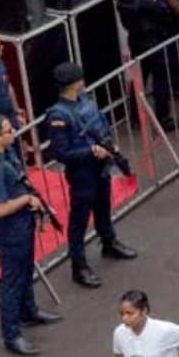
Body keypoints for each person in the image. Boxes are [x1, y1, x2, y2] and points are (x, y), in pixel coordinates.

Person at [44, 62, 138, 288]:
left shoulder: (86, 101)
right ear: (73, 84)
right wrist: (90, 151)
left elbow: (101, 124)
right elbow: (60, 152)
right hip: (82, 172)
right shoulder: (58, 115)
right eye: (79, 80)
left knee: (103, 206)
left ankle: (109, 242)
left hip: (101, 165)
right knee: (79, 219)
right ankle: (79, 265)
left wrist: (109, 146)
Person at [0, 116, 58, 357]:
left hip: (22, 224)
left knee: (25, 270)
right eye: (9, 130)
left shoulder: (5, 154)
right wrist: (26, 200)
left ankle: (28, 311)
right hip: (10, 231)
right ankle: (10, 334)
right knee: (11, 282)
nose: (14, 132)